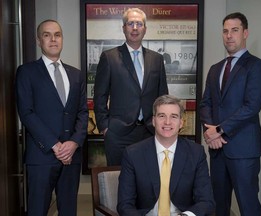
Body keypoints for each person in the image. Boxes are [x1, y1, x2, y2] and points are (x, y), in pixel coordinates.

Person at [15, 19, 88, 216]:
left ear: (62, 39)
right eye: (47, 35)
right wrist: (55, 146)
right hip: (42, 157)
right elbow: (26, 113)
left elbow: (82, 112)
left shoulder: (76, 75)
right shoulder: (26, 72)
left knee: (68, 211)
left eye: (57, 35)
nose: (53, 39)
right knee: (37, 211)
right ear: (39, 41)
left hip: (71, 158)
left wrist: (73, 143)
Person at [200, 12, 261, 216]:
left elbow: (251, 107)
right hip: (217, 150)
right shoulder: (215, 69)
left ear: (245, 33)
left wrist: (219, 130)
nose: (229, 35)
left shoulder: (257, 66)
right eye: (225, 31)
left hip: (244, 150)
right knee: (219, 207)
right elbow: (206, 103)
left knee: (248, 207)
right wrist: (209, 131)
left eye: (235, 30)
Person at [117, 94, 215, 216]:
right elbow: (124, 205)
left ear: (181, 123)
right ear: (153, 121)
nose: (167, 122)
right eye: (161, 116)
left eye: (173, 117)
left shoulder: (196, 153)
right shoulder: (133, 154)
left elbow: (206, 202)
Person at [93, 8, 168, 166]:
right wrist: (105, 128)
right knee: (120, 183)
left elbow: (163, 98)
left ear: (145, 29)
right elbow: (100, 96)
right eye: (130, 23)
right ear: (124, 28)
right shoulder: (109, 57)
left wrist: (161, 126)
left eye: (139, 24)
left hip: (150, 132)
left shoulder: (157, 59)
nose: (135, 28)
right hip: (118, 134)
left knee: (148, 184)